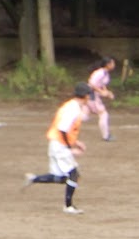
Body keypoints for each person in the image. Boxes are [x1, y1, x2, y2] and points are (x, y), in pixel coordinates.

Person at [25, 83, 90, 213]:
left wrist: (75, 142)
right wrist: (69, 148)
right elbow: (62, 129)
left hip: (56, 143)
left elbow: (66, 129)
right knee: (74, 174)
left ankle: (34, 178)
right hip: (60, 145)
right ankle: (68, 206)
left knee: (61, 177)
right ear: (85, 96)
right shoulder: (73, 109)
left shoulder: (71, 106)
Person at [86, 56, 116, 141]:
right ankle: (106, 136)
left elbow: (102, 85)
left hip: (93, 95)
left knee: (84, 114)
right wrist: (101, 92)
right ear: (108, 64)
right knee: (103, 114)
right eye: (112, 63)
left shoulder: (105, 73)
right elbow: (91, 84)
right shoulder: (100, 73)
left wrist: (107, 93)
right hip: (91, 95)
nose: (114, 65)